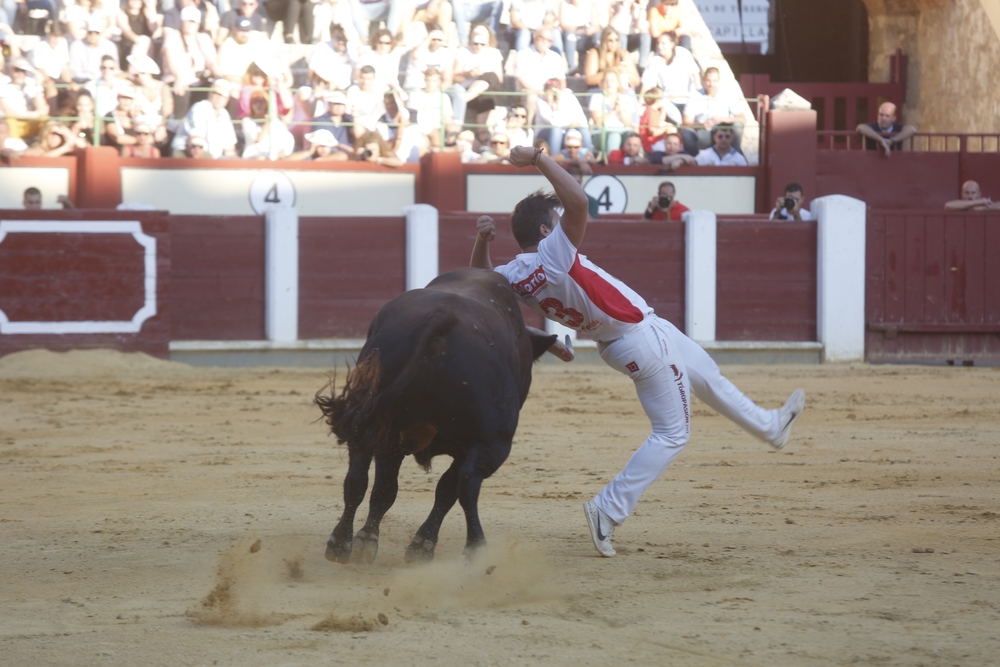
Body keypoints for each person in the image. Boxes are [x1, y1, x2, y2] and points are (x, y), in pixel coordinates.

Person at [469, 144, 806, 558]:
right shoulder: (554, 253)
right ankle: (607, 510)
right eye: (555, 223)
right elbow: (578, 200)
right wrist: (538, 158)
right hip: (639, 337)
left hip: (631, 335)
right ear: (545, 232)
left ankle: (770, 426)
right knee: (673, 433)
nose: (563, 225)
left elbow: (480, 276)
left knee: (705, 373)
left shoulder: (516, 275)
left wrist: (482, 240)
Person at [681, 66, 749, 154]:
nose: (711, 84)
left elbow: (742, 119)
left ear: (719, 81)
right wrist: (702, 125)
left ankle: (733, 156)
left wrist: (722, 119)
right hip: (704, 132)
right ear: (703, 80)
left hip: (723, 132)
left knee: (737, 125)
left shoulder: (728, 94)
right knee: (687, 133)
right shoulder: (694, 95)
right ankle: (695, 163)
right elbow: (686, 122)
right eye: (708, 80)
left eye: (714, 81)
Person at [170, 78, 237, 158]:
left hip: (211, 158)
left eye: (223, 96)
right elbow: (196, 143)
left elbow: (230, 146)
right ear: (210, 93)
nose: (219, 98)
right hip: (187, 155)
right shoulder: (200, 107)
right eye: (216, 93)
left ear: (227, 99)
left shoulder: (224, 114)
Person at [515, 27, 565, 123]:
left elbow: (562, 80)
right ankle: (529, 130)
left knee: (565, 95)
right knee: (532, 97)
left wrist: (553, 92)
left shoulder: (555, 57)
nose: (545, 42)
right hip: (530, 91)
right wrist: (539, 92)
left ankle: (561, 127)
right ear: (534, 37)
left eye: (549, 40)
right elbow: (520, 79)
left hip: (550, 92)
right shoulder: (523, 54)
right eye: (542, 38)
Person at [639, 32, 698, 110]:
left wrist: (697, 95)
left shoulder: (682, 53)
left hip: (688, 101)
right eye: (658, 43)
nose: (659, 46)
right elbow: (647, 84)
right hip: (668, 102)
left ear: (672, 44)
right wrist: (639, 105)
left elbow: (695, 74)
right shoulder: (655, 60)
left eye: (663, 43)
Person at [534, 78, 591, 156]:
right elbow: (554, 123)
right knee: (556, 130)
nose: (548, 96)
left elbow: (581, 120)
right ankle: (555, 159)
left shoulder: (568, 97)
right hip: (545, 132)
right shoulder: (540, 102)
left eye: (552, 93)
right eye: (546, 93)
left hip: (565, 130)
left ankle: (590, 157)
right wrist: (557, 105)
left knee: (583, 130)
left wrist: (573, 124)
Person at [587, 68, 635, 154]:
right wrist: (613, 111)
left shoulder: (626, 98)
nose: (609, 83)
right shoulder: (596, 98)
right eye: (605, 80)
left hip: (623, 131)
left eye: (612, 80)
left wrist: (620, 111)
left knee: (633, 138)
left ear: (617, 83)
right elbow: (598, 122)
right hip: (602, 133)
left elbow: (628, 123)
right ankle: (612, 163)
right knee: (614, 135)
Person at [284, 128, 349, 160]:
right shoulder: (309, 154)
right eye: (320, 145)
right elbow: (286, 160)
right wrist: (309, 152)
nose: (323, 149)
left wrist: (320, 161)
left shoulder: (334, 153)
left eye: (325, 146)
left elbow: (344, 155)